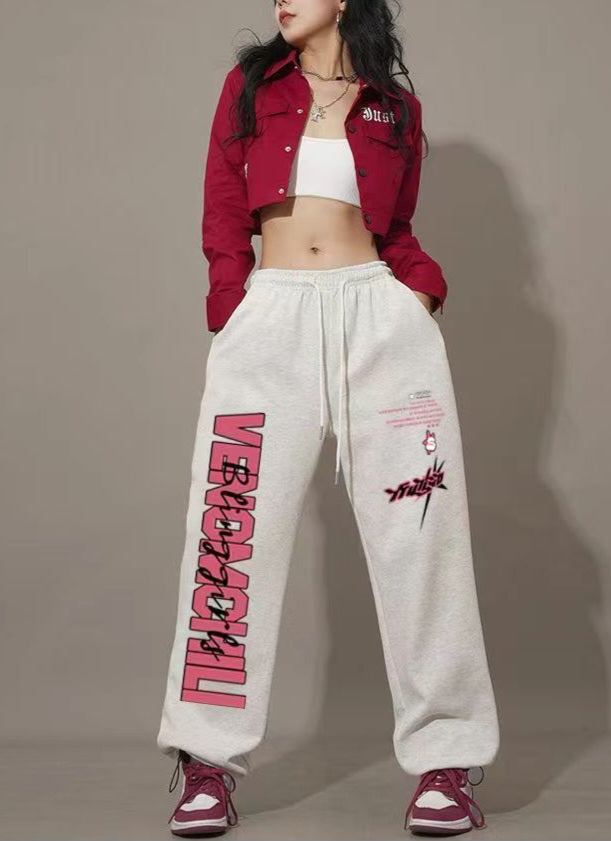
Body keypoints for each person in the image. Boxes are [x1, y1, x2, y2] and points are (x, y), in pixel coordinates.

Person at [156, 0, 500, 835]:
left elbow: (397, 226)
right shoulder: (249, 89)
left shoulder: (394, 107)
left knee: (422, 537)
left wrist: (420, 295)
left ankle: (448, 760)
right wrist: (232, 309)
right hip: (270, 318)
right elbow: (221, 210)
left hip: (379, 322)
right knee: (230, 531)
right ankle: (206, 760)